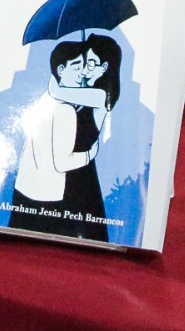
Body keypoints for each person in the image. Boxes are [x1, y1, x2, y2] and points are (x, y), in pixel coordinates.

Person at [11, 34, 121, 241]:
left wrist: (61, 71)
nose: (85, 70)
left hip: (81, 179)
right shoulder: (78, 94)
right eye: (83, 63)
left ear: (104, 68)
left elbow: (57, 91)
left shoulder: (100, 96)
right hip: (62, 177)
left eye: (91, 64)